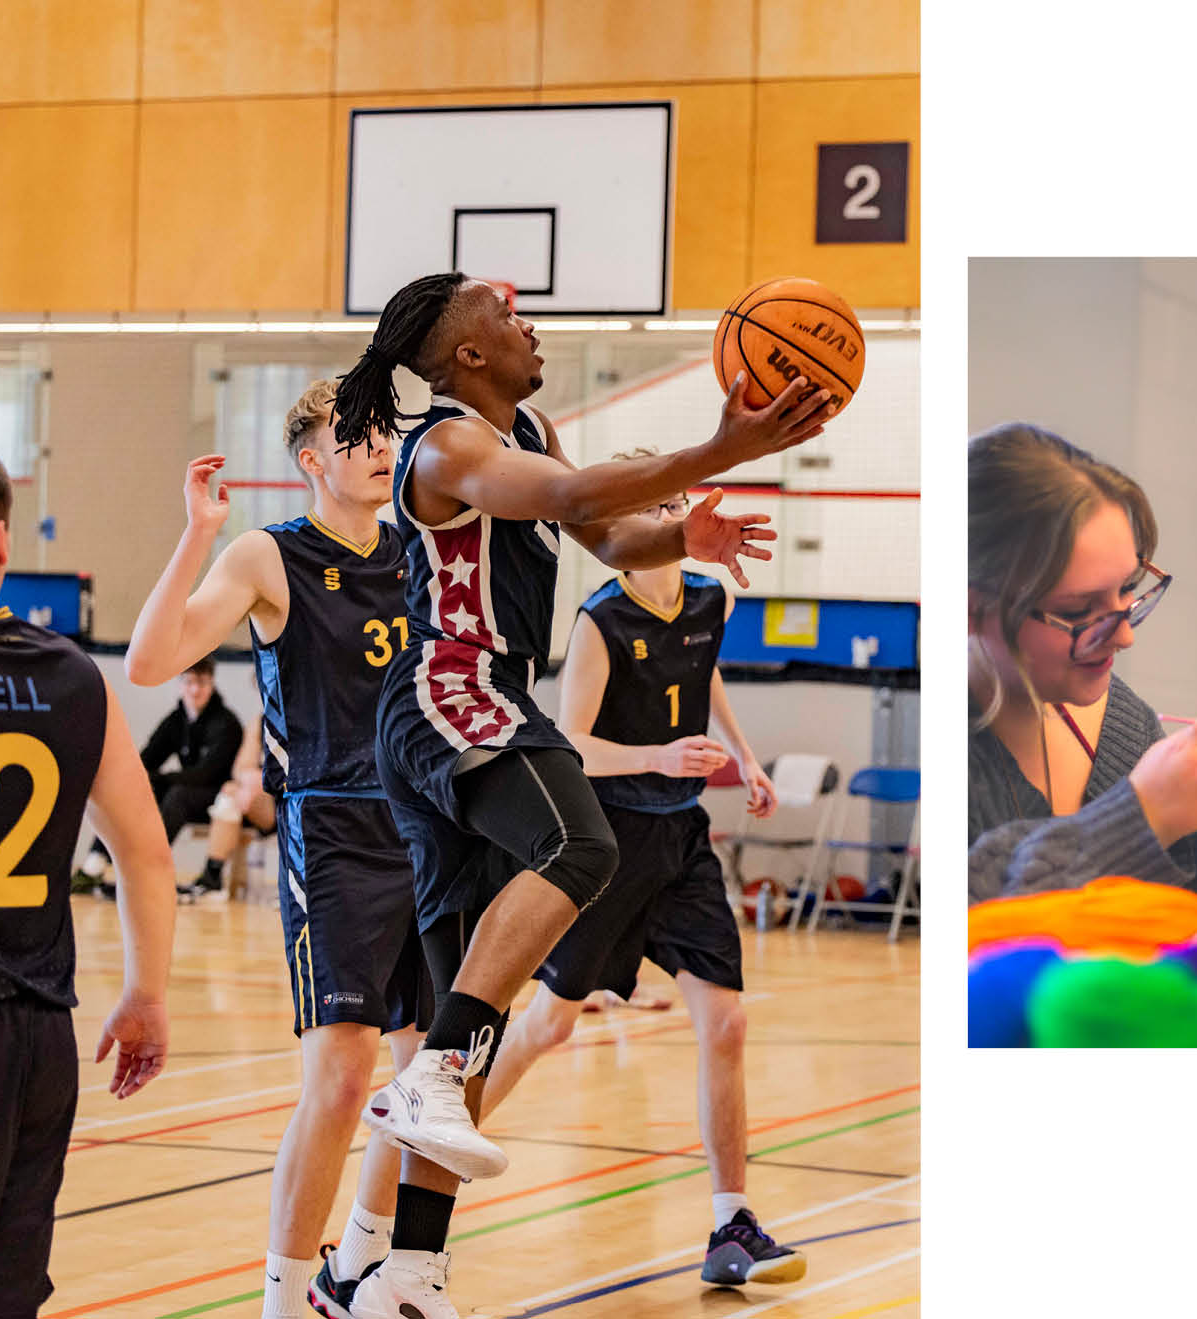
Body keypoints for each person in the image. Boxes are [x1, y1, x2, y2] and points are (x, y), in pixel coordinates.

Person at [336, 272, 829, 1318]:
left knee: (470, 1018)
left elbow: (605, 534)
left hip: (484, 699)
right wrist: (718, 448)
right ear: (467, 353)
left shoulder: (531, 430)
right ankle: (427, 1074)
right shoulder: (446, 444)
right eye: (507, 315)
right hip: (448, 688)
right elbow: (568, 500)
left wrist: (682, 539)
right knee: (580, 844)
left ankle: (400, 1272)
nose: (531, 326)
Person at [121, 380, 434, 1319]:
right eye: (359, 435)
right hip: (332, 830)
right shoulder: (270, 554)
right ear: (312, 459)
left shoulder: (418, 548)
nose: (380, 447)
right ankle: (284, 1299)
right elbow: (148, 661)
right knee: (340, 1080)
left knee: (431, 1082)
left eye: (386, 432)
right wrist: (197, 535)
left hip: (426, 828)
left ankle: (362, 1263)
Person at [475, 476, 799, 1287]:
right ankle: (424, 1162)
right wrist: (659, 754)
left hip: (682, 839)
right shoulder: (600, 621)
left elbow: (704, 672)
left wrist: (746, 757)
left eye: (675, 502)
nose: (674, 514)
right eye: (656, 506)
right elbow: (570, 746)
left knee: (726, 1024)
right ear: (625, 529)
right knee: (548, 1026)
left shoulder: (711, 598)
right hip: (609, 843)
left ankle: (732, 1224)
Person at [0, 432, 174, 1316]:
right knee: (3, 1293)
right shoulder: (74, 675)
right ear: (1, 538)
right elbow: (145, 851)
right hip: (39, 1038)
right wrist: (145, 994)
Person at [967, 422, 1197, 922]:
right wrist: (1142, 817)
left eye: (1128, 589)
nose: (1124, 636)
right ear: (971, 609)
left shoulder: (1125, 726)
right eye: (1078, 610)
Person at [71, 654, 243, 896]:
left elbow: (206, 775)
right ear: (180, 684)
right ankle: (94, 865)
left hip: (219, 796)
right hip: (186, 789)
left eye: (202, 683)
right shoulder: (176, 720)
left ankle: (147, 869)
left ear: (211, 684)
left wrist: (158, 779)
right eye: (189, 682)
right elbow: (146, 759)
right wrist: (132, 780)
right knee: (139, 785)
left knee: (178, 795)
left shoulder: (226, 723)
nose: (195, 690)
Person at [182, 716, 279, 901]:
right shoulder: (261, 720)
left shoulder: (311, 714)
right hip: (264, 798)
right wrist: (251, 783)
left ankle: (298, 886)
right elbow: (241, 767)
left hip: (296, 797)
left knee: (239, 792)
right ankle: (213, 877)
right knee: (230, 792)